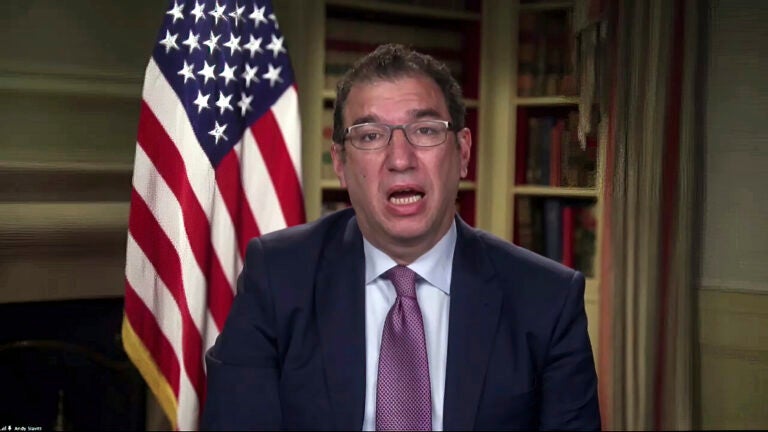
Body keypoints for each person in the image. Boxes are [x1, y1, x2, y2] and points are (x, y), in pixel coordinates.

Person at [201, 43, 600, 431]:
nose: (400, 159)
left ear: (462, 153)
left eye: (425, 130)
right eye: (371, 135)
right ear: (340, 163)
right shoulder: (278, 277)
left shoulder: (546, 299)